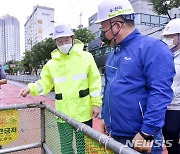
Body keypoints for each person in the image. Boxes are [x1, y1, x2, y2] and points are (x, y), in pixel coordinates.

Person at [95, 0, 175, 153]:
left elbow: (160, 93)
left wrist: (147, 133)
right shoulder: (113, 54)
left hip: (140, 136)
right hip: (116, 133)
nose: (102, 34)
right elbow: (109, 87)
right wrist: (105, 117)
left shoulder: (153, 49)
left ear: (117, 26)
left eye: (103, 28)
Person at [19, 23, 102, 153]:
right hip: (63, 114)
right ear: (56, 43)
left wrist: (96, 104)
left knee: (83, 148)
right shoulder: (51, 64)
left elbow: (95, 82)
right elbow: (44, 83)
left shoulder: (86, 57)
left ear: (73, 38)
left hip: (84, 113)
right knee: (66, 149)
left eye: (66, 40)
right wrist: (31, 88)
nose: (63, 44)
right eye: (60, 41)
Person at [161, 18, 180, 154]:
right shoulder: (166, 56)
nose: (167, 40)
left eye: (170, 36)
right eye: (165, 37)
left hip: (177, 108)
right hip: (165, 107)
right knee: (170, 144)